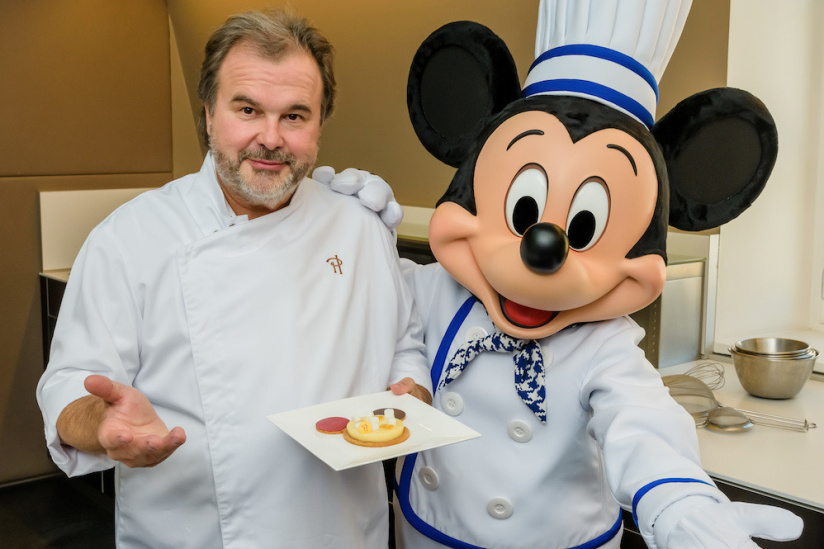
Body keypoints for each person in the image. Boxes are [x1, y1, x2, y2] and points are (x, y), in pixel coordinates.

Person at [36, 9, 431, 549]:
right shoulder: (130, 238)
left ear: (320, 124)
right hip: (192, 535)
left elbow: (404, 345)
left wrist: (414, 392)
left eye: (295, 115)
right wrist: (103, 427)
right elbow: (66, 385)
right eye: (247, 109)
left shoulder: (359, 227)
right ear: (208, 113)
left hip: (340, 531)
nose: (270, 138)